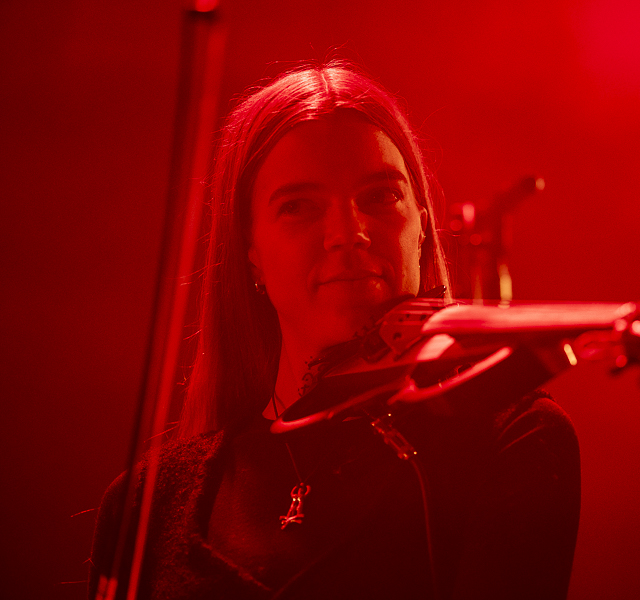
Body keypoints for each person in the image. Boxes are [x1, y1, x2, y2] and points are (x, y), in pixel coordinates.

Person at [89, 59, 580, 600]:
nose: (348, 232)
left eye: (380, 196)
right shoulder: (144, 506)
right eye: (299, 207)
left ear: (422, 224)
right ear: (250, 252)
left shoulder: (510, 436)